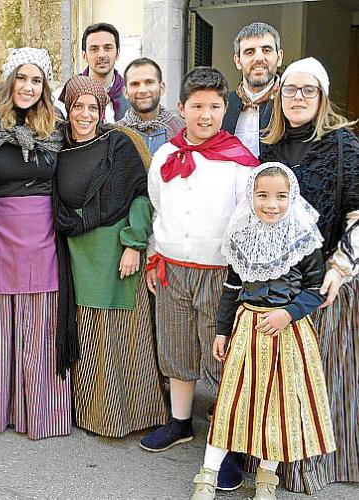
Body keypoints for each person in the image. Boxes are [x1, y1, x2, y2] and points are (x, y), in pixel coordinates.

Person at [139, 67, 259, 490]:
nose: (205, 115)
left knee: (222, 357)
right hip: (172, 268)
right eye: (196, 106)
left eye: (214, 107)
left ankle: (229, 442)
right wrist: (155, 255)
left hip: (219, 273)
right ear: (181, 108)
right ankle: (180, 421)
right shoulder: (164, 156)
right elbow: (158, 206)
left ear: (225, 109)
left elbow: (247, 220)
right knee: (176, 347)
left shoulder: (240, 163)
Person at [190, 163, 335, 500]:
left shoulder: (303, 237)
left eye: (281, 196)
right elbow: (231, 287)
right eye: (263, 195)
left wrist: (288, 313)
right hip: (248, 330)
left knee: (279, 407)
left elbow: (316, 289)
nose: (272, 204)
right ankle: (207, 475)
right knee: (230, 402)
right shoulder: (242, 235)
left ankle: (267, 478)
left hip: (287, 333)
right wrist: (222, 330)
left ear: (292, 197)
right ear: (251, 196)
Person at [258, 57, 359, 494]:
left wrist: (341, 266)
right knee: (278, 376)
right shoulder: (270, 145)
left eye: (308, 90)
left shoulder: (343, 144)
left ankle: (313, 465)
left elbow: (357, 212)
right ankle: (270, 458)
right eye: (290, 90)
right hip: (278, 280)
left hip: (327, 281)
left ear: (322, 97)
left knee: (320, 376)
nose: (298, 98)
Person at [0, 47, 71, 440]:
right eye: (21, 78)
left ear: (45, 87)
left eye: (36, 80)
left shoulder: (56, 130)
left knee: (40, 327)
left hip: (43, 236)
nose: (28, 87)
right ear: (9, 82)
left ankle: (41, 413)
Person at [53, 75, 168, 437]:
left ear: (103, 109)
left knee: (122, 336)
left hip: (117, 251)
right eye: (78, 107)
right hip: (77, 252)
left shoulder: (118, 143)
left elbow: (140, 195)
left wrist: (134, 244)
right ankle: (94, 415)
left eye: (93, 107)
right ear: (68, 109)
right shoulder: (58, 148)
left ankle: (133, 415)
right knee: (89, 336)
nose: (85, 114)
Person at [221, 22, 283, 157]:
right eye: (249, 52)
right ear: (238, 61)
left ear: (279, 58)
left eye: (266, 50)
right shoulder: (221, 105)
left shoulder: (289, 106)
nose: (259, 58)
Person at [54, 23, 130, 123]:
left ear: (117, 54)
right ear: (84, 55)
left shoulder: (131, 96)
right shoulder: (62, 98)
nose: (101, 55)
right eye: (94, 49)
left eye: (107, 48)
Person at [117, 58, 184, 155]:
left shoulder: (183, 130)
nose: (142, 90)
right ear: (125, 92)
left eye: (149, 82)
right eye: (135, 84)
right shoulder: (114, 134)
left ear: (161, 88)